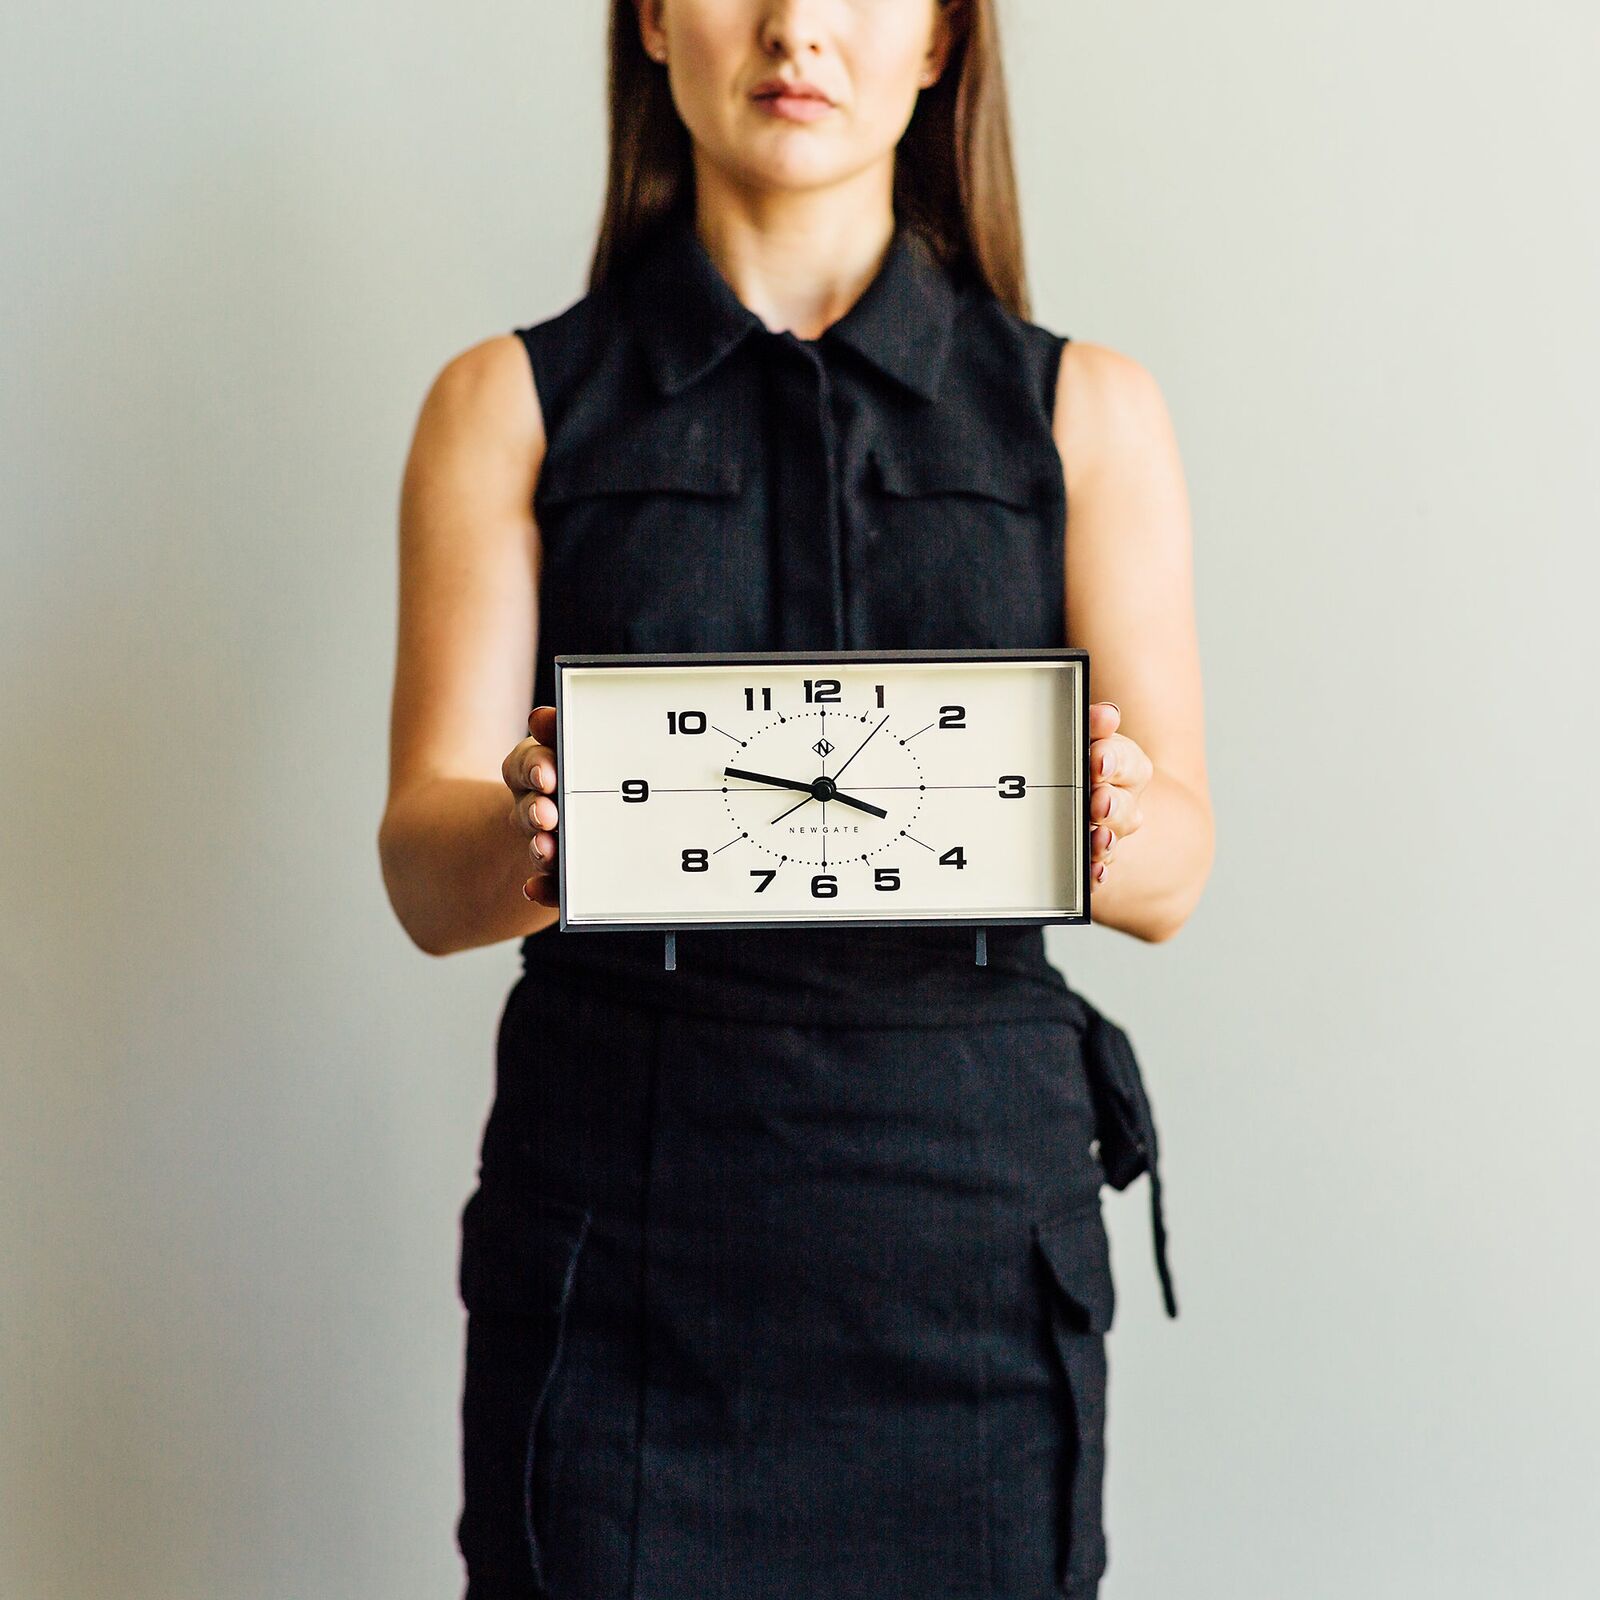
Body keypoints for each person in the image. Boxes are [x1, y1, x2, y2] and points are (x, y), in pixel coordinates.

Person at [378, 1, 1214, 1595]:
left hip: (972, 1262)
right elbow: (426, 873)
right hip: (620, 1257)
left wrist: (1098, 810)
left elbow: (1174, 868)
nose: (794, 29)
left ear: (942, 42)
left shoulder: (1088, 409)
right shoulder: (506, 401)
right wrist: (537, 827)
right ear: (649, 20)